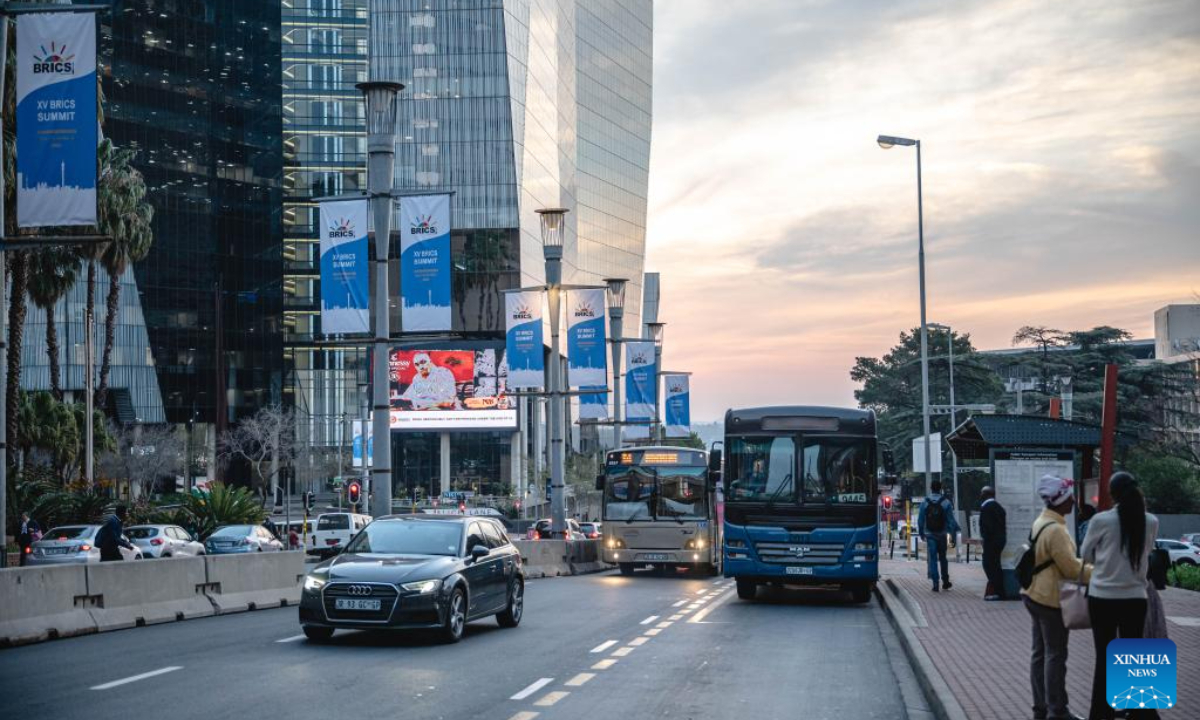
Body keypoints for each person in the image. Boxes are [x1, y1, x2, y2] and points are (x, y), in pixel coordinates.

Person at [1080, 472, 1160, 720]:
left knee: (1103, 656)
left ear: (1112, 494)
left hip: (1102, 596)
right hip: (1135, 597)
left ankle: (1101, 714)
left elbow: (1086, 554)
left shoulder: (1101, 520)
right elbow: (1146, 552)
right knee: (1133, 657)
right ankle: (1138, 712)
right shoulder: (1151, 521)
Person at [1021, 475, 1092, 720]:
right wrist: (1100, 572)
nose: (1074, 501)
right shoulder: (1057, 530)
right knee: (1055, 655)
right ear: (1060, 501)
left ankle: (1040, 708)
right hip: (1050, 599)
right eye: (1070, 497)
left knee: (1039, 654)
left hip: (1034, 594)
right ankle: (1057, 710)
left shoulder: (1041, 522)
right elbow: (1071, 569)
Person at [917, 479, 960, 592]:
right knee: (943, 558)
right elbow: (951, 522)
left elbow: (920, 520)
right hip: (943, 534)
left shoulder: (925, 502)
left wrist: (921, 533)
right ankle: (945, 581)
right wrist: (952, 537)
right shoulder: (946, 502)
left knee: (933, 559)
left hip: (930, 534)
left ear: (931, 488)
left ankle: (935, 583)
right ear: (940, 489)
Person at [979, 486, 1008, 600]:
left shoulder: (986, 507)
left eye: (981, 493)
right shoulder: (999, 507)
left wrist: (985, 539)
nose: (980, 495)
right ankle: (998, 591)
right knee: (996, 565)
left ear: (986, 494)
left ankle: (997, 591)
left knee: (989, 564)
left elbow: (987, 527)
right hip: (1000, 540)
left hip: (991, 541)